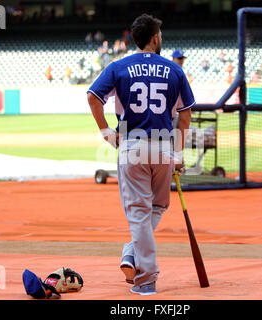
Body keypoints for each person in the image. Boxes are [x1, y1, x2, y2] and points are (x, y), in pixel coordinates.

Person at [86, 13, 194, 296]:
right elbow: (185, 116)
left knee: (138, 213)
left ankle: (145, 278)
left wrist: (106, 132)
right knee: (157, 207)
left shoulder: (118, 66)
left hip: (132, 146)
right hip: (163, 146)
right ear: (155, 38)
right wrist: (179, 153)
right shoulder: (175, 70)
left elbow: (93, 97)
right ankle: (133, 254)